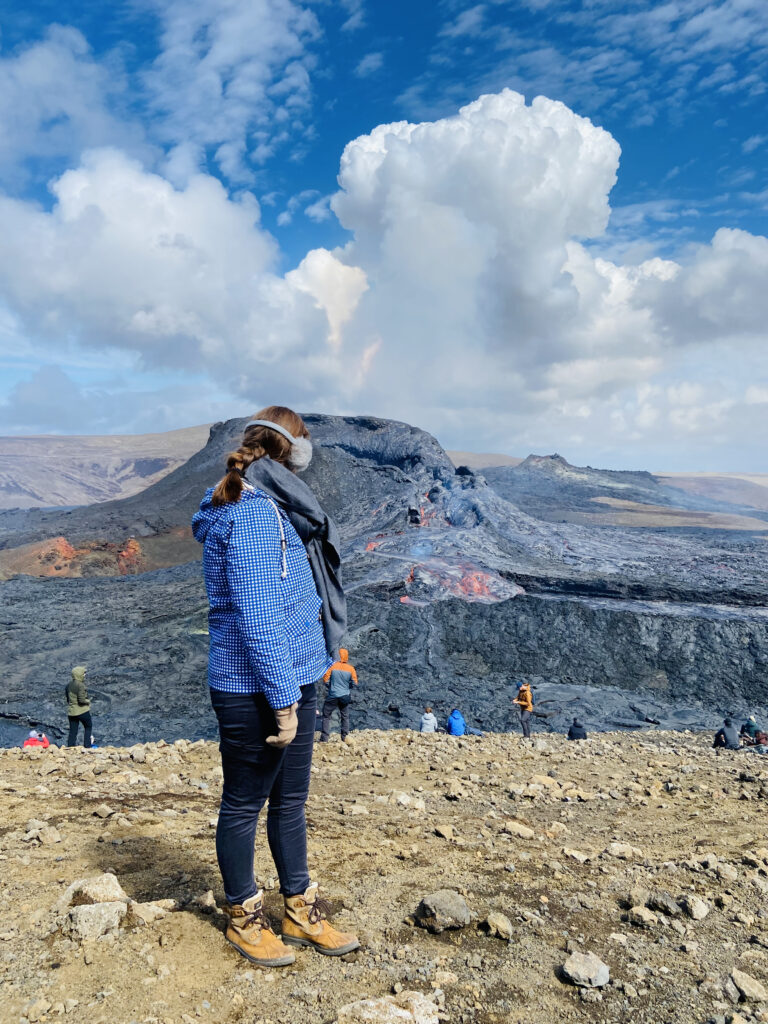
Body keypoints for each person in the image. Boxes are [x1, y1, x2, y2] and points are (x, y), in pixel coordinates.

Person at [192, 406, 359, 968]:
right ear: (290, 447)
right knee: (243, 804)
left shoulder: (271, 505)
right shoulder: (253, 513)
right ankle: (242, 915)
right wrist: (285, 702)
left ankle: (299, 909)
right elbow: (258, 613)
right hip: (256, 688)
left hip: (296, 674)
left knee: (291, 803)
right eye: (308, 441)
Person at [320, 648, 358, 742]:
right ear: (346, 656)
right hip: (344, 695)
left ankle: (324, 738)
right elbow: (354, 683)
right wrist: (347, 687)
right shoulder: (351, 669)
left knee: (326, 716)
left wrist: (331, 687)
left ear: (338, 655)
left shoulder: (332, 666)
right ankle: (344, 737)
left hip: (333, 695)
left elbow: (325, 679)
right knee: (345, 716)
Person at [66, 666, 93, 748]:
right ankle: (87, 746)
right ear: (79, 674)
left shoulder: (68, 685)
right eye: (83, 673)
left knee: (73, 731)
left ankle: (70, 747)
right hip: (82, 711)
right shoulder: (80, 685)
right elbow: (81, 700)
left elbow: (68, 699)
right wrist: (88, 701)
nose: (85, 675)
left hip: (72, 712)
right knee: (88, 726)